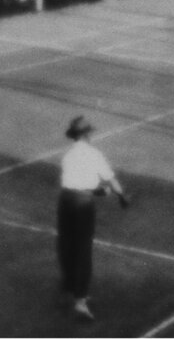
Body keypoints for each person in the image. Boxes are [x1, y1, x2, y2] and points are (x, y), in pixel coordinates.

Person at [57, 116, 130, 321]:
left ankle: (69, 288)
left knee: (66, 245)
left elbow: (75, 182)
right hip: (82, 205)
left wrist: (98, 191)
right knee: (82, 249)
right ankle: (80, 300)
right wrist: (122, 196)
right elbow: (110, 180)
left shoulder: (68, 155)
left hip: (65, 201)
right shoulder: (94, 154)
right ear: (86, 135)